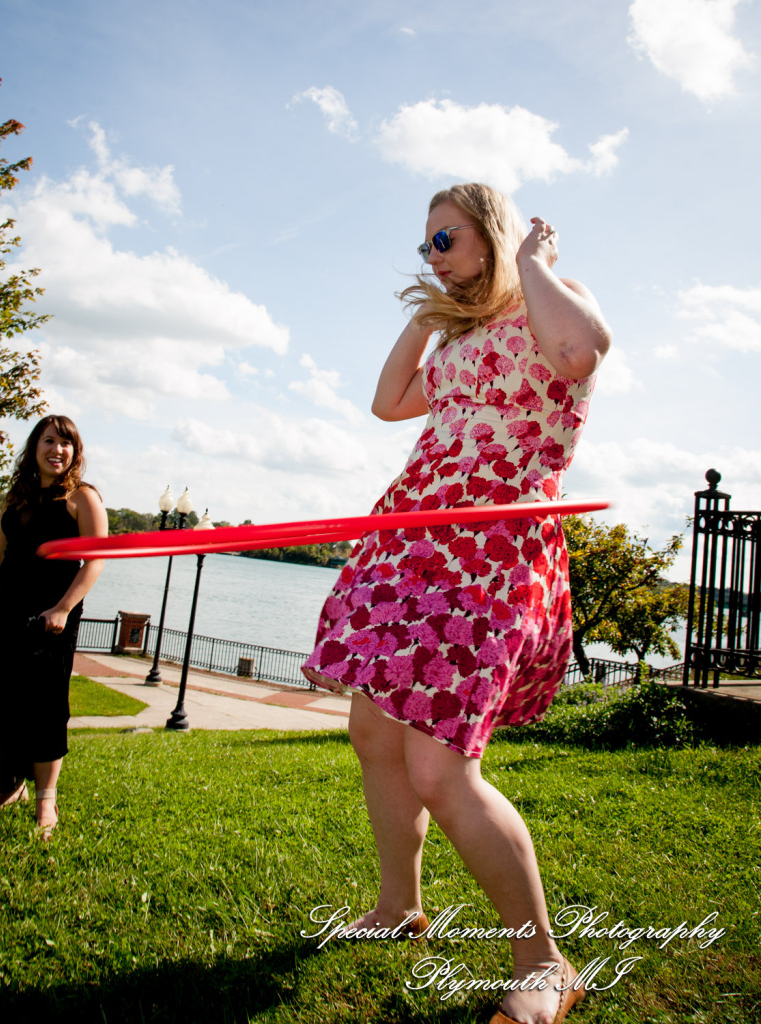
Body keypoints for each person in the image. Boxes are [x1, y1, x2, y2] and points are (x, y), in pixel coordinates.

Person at [302, 183, 611, 1024]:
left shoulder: (551, 302)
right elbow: (388, 402)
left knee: (440, 765)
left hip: (488, 547)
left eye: (443, 238)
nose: (429, 253)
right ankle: (398, 905)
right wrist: (431, 310)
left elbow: (580, 354)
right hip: (411, 537)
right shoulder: (461, 332)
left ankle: (544, 961)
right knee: (373, 729)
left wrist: (530, 263)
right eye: (425, 243)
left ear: (493, 234)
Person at [0, 415, 107, 840]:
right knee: (5, 697)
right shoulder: (17, 497)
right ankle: (12, 784)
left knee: (44, 706)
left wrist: (62, 608)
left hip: (51, 619)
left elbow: (95, 561)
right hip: (7, 611)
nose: (57, 450)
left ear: (74, 452)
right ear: (35, 447)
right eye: (49, 441)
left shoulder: (83, 498)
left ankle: (47, 798)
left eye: (66, 443)